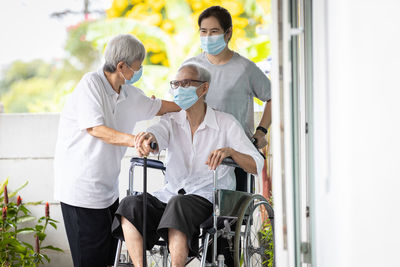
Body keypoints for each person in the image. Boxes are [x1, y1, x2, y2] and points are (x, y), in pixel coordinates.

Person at [111, 64, 264, 267]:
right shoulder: (171, 121)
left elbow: (256, 164)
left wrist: (231, 152)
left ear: (204, 88)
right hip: (171, 194)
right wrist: (148, 139)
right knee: (130, 205)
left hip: (208, 199)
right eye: (176, 84)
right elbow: (157, 134)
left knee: (178, 204)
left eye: (186, 83)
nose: (179, 89)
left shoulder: (226, 123)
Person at [53, 34, 179, 267]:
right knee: (91, 261)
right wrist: (135, 140)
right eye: (137, 68)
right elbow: (96, 128)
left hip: (108, 193)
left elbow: (162, 107)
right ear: (121, 66)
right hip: (80, 191)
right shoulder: (91, 84)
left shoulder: (130, 95)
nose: (139, 73)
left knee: (109, 259)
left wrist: (194, 101)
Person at [183, 5, 271, 149]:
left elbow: (273, 97)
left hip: (236, 152)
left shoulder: (245, 68)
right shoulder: (190, 67)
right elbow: (178, 106)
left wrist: (261, 132)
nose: (208, 37)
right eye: (203, 31)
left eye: (214, 31)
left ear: (228, 32)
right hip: (198, 150)